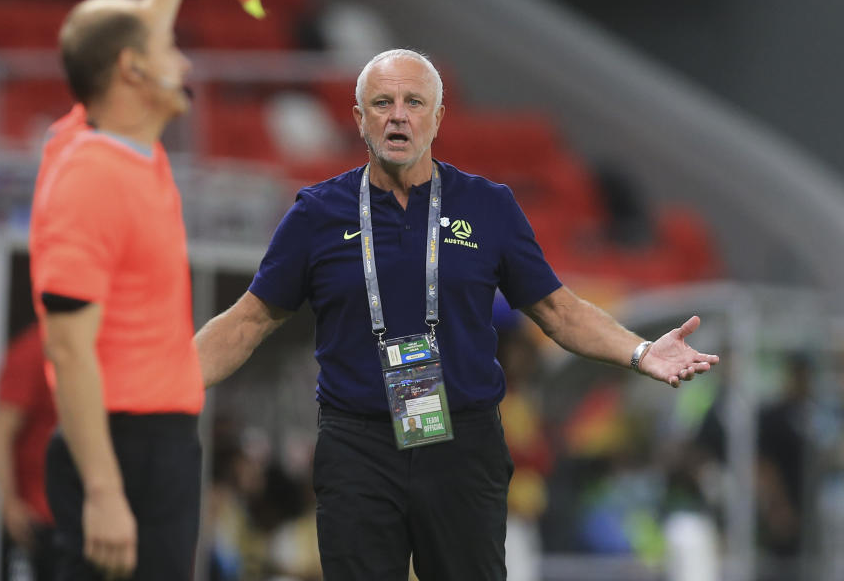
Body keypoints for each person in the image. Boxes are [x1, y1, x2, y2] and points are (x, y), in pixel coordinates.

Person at [193, 48, 720, 580]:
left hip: (461, 441)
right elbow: (247, 320)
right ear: (359, 118)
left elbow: (559, 310)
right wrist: (171, 379)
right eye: (382, 102)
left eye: (413, 102)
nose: (398, 115)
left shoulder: (488, 206)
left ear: (438, 117)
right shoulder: (315, 213)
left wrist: (640, 351)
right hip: (357, 446)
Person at [28, 0, 206, 578]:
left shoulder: (98, 139)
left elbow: (128, 38)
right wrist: (105, 491)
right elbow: (68, 347)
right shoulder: (92, 179)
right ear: (133, 72)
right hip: (125, 452)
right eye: (168, 51)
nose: (182, 60)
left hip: (152, 446)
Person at [0, 322, 58, 580]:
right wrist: (10, 502)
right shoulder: (33, 350)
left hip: (92, 513)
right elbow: (0, 430)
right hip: (43, 514)